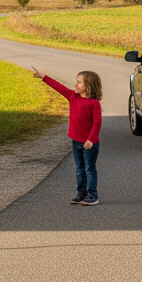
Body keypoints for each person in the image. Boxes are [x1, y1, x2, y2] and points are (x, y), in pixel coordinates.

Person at [31, 67, 102, 205]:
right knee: (79, 169)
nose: (75, 84)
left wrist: (91, 140)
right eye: (76, 81)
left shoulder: (94, 104)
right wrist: (43, 76)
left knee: (89, 169)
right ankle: (81, 193)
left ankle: (92, 195)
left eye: (79, 82)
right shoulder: (72, 96)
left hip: (89, 143)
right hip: (76, 141)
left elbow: (97, 124)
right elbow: (58, 87)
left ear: (89, 86)